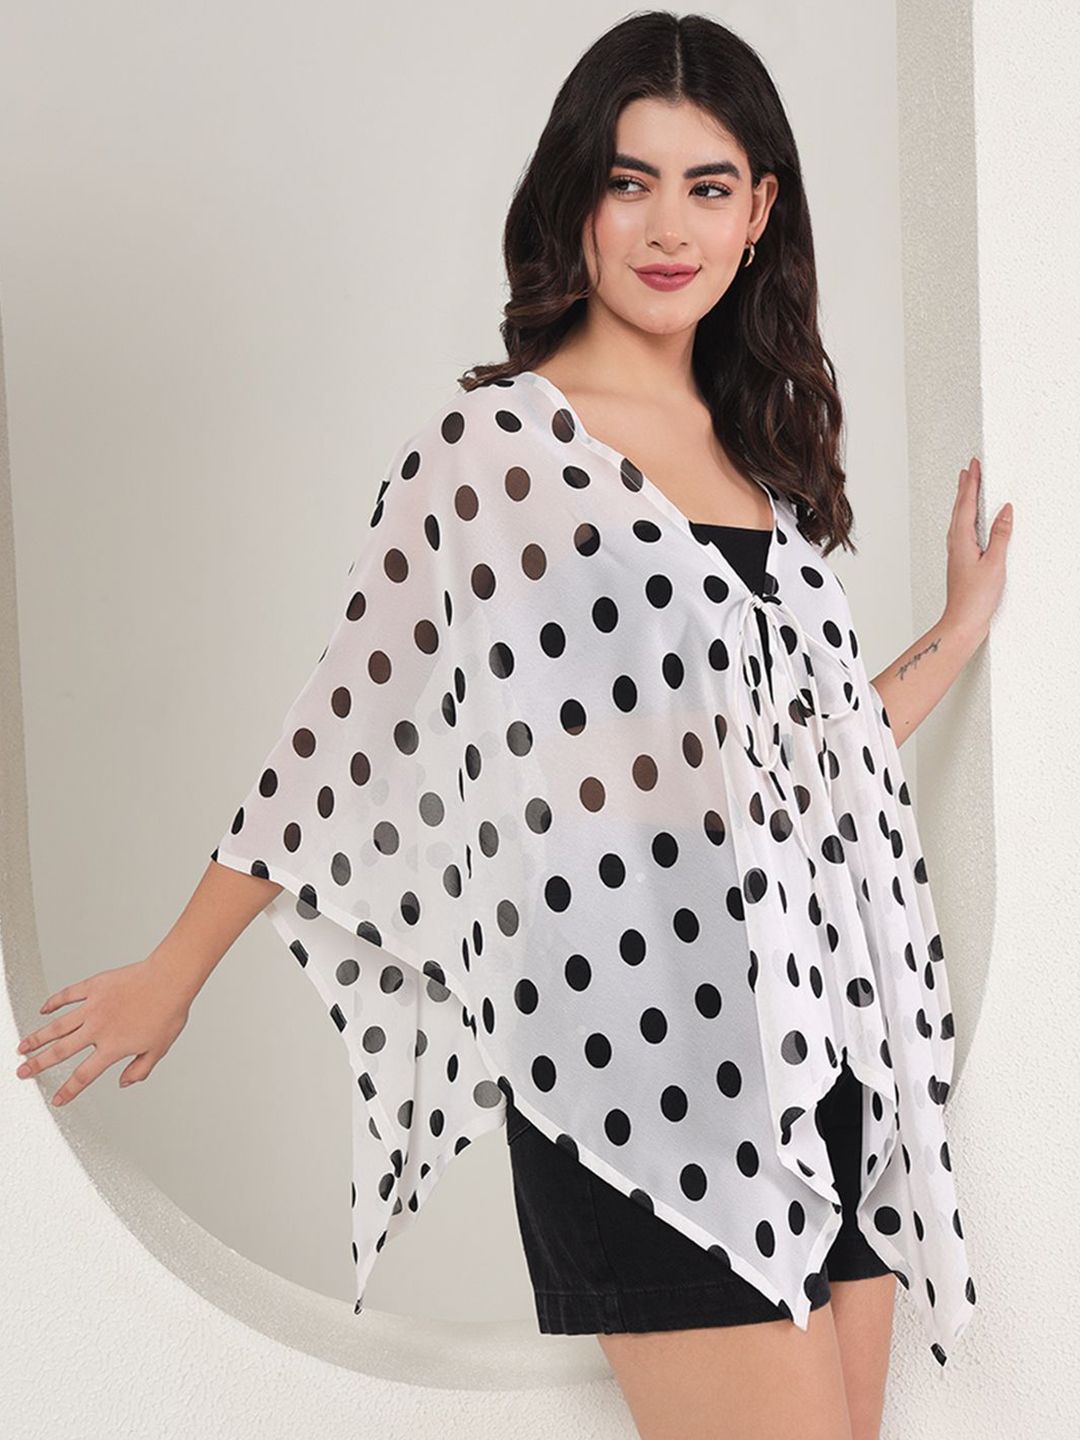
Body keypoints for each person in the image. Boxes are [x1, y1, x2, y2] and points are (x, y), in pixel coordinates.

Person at [14, 13, 1011, 1440]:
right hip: (640, 1060)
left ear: (760, 213)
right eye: (628, 182)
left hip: (822, 1034)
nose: (667, 227)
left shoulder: (758, 468)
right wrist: (174, 971)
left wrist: (955, 635)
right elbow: (341, 730)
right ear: (576, 200)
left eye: (708, 187)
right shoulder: (495, 454)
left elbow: (815, 752)